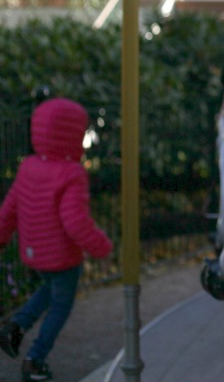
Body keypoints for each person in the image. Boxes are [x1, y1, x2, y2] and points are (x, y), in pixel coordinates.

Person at [0, 98, 113, 382]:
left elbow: (10, 208)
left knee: (47, 290)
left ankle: (16, 325)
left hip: (34, 253)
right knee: (60, 307)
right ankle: (35, 360)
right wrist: (101, 246)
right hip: (62, 257)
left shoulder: (28, 166)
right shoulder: (71, 173)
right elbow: (74, 221)